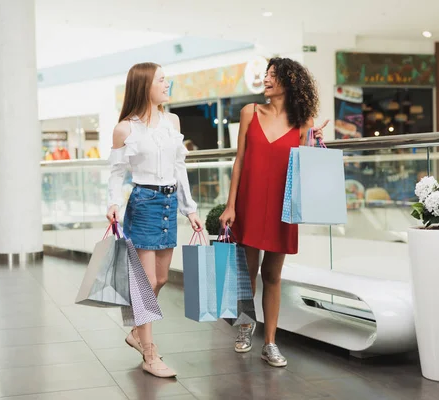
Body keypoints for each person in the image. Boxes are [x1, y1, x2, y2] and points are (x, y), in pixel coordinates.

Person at [219, 57, 327, 367]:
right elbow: (239, 160)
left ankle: (270, 343)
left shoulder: (303, 122)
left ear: (289, 82)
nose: (266, 79)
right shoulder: (250, 112)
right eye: (265, 74)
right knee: (247, 275)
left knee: (273, 276)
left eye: (272, 75)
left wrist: (316, 141)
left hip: (283, 206)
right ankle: (244, 330)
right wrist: (230, 205)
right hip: (250, 203)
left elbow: (305, 166)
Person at [106, 62, 203, 378]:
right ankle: (149, 353)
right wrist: (113, 203)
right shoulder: (125, 129)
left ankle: (136, 331)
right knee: (145, 282)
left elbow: (179, 169)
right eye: (162, 80)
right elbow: (117, 174)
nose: (167, 84)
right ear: (144, 85)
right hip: (144, 203)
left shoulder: (172, 121)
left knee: (160, 279)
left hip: (168, 203)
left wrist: (190, 209)